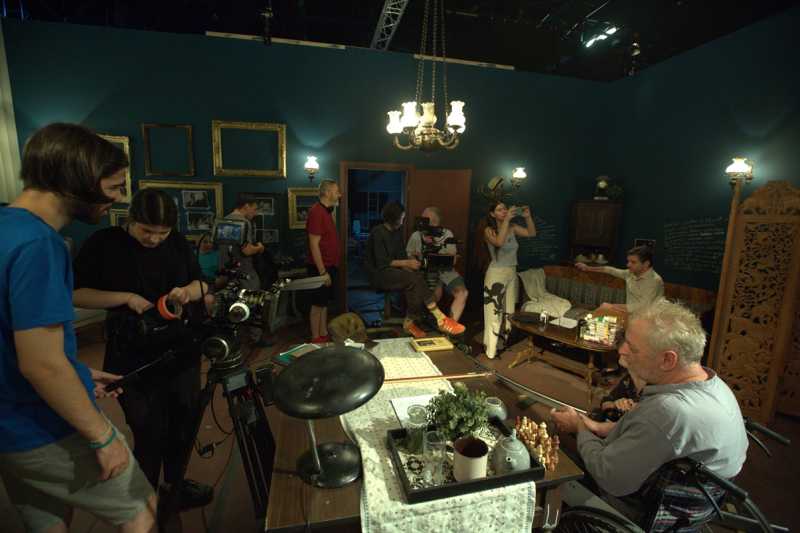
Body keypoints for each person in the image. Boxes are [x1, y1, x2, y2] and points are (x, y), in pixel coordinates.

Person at [0, 123, 156, 532]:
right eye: (114, 187)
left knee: (48, 523)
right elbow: (43, 365)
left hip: (8, 427)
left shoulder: (6, 227)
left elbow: (11, 343)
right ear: (79, 178)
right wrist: (103, 436)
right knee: (142, 510)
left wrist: (80, 373)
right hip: (36, 426)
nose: (119, 197)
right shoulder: (39, 244)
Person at [73, 188, 213, 511]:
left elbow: (201, 283)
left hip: (179, 350)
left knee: (183, 424)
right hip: (132, 352)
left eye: (162, 233)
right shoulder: (104, 243)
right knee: (148, 429)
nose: (154, 239)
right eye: (146, 230)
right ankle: (144, 495)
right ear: (130, 219)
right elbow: (75, 293)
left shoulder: (176, 242)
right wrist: (125, 298)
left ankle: (174, 484)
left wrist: (186, 292)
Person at [550, 299, 748, 500]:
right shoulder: (712, 382)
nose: (621, 350)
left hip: (655, 501)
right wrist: (600, 428)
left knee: (556, 448)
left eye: (632, 347)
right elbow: (659, 432)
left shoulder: (667, 410)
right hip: (710, 491)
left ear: (667, 360)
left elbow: (609, 477)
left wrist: (579, 428)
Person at [364, 202, 466, 337]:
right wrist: (407, 263)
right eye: (402, 217)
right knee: (414, 279)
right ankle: (438, 317)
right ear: (394, 217)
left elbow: (401, 255)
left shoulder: (397, 233)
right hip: (379, 274)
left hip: (396, 270)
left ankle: (411, 322)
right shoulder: (378, 232)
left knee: (415, 278)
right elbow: (382, 263)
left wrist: (412, 262)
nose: (403, 220)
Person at [477, 200, 536, 359]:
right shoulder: (489, 230)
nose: (504, 211)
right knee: (494, 311)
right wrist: (508, 219)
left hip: (512, 272)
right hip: (496, 273)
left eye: (505, 209)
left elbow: (531, 233)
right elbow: (499, 242)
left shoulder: (512, 227)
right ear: (492, 214)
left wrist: (528, 217)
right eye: (499, 210)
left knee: (509, 311)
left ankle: (505, 342)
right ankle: (490, 349)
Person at [218, 195, 273, 346]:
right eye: (254, 209)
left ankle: (231, 339)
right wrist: (259, 248)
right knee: (255, 301)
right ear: (246, 206)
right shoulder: (244, 222)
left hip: (226, 271)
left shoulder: (223, 221)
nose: (255, 213)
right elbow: (247, 250)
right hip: (245, 271)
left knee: (230, 304)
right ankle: (256, 338)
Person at [406, 207, 469, 323]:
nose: (422, 220)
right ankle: (420, 320)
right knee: (433, 294)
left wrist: (437, 249)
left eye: (425, 218)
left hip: (445, 271)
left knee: (462, 293)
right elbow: (409, 256)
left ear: (435, 221)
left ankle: (450, 326)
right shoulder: (416, 235)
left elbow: (453, 259)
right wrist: (416, 259)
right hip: (423, 271)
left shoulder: (447, 234)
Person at [576, 245, 664, 316]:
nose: (628, 265)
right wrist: (588, 268)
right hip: (629, 315)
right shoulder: (631, 273)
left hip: (647, 320)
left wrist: (611, 307)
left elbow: (641, 307)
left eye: (633, 262)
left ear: (646, 264)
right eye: (628, 261)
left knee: (603, 310)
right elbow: (610, 270)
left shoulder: (655, 281)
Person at [306, 179, 342, 343]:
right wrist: (322, 272)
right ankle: (315, 337)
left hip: (330, 266)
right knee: (317, 304)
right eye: (336, 191)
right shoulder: (316, 212)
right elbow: (314, 244)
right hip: (320, 268)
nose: (339, 194)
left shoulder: (327, 211)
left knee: (324, 303)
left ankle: (323, 333)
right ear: (327, 193)